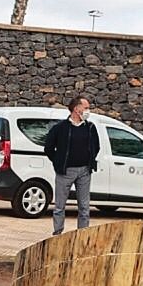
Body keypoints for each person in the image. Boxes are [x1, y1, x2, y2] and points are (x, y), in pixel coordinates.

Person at [43, 95, 100, 235]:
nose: (88, 111)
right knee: (59, 206)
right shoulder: (60, 128)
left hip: (84, 171)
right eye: (86, 108)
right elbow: (48, 147)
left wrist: (89, 162)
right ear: (76, 109)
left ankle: (82, 235)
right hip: (65, 171)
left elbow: (96, 147)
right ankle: (57, 233)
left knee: (84, 207)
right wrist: (58, 162)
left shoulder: (90, 127)